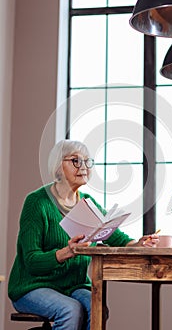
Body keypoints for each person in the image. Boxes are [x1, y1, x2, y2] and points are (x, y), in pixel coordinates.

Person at [8, 139, 159, 330]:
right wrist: (67, 252)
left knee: (96, 307)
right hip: (33, 286)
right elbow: (31, 261)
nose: (84, 167)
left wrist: (138, 243)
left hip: (73, 286)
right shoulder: (37, 203)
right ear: (57, 166)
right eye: (75, 161)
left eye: (88, 162)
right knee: (70, 309)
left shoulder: (88, 203)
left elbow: (116, 237)